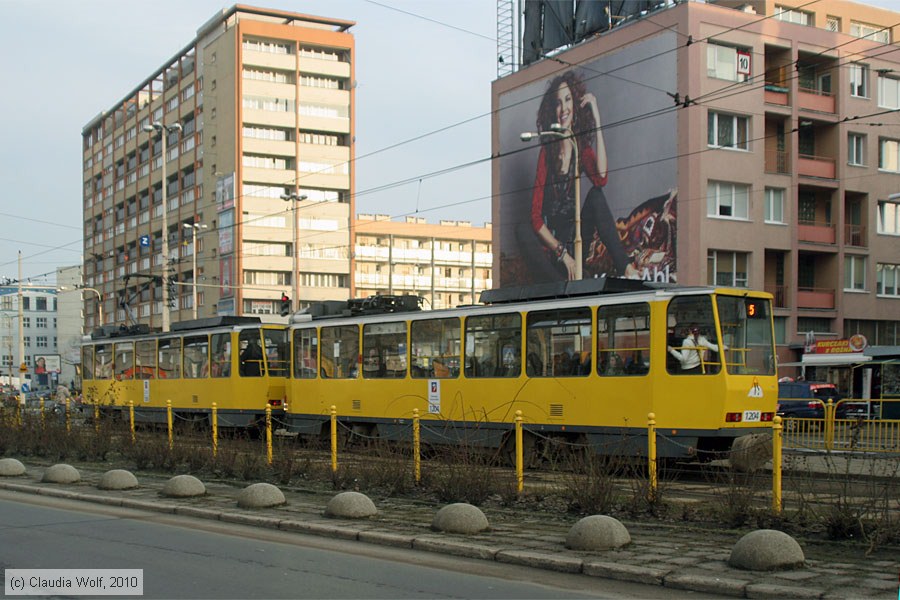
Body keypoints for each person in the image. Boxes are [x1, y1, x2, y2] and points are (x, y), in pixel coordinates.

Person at [516, 70, 632, 282]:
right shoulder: (546, 154)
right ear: (553, 110)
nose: (563, 108)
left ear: (575, 105)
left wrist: (597, 120)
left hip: (577, 239)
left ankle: (624, 266)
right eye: (558, 103)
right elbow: (535, 218)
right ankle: (558, 284)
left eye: (568, 100)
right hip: (554, 247)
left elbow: (601, 178)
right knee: (522, 230)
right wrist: (563, 255)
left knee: (596, 196)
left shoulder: (580, 148)